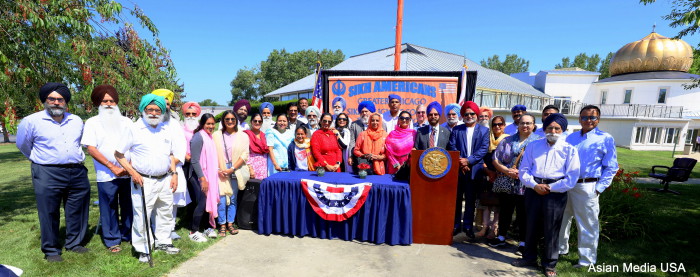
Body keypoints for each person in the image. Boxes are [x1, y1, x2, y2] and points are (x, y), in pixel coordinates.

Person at [16, 82, 92, 262]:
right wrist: (40, 159)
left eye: (60, 99)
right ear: (45, 100)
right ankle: (51, 250)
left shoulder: (76, 120)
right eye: (52, 99)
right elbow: (23, 145)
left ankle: (74, 243)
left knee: (78, 209)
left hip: (77, 171)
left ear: (66, 102)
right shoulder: (31, 121)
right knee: (48, 211)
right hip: (47, 172)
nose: (56, 102)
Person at [115, 94, 183, 263]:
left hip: (165, 178)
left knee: (165, 212)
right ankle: (143, 248)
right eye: (150, 109)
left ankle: (164, 242)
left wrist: (174, 174)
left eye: (157, 110)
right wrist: (133, 172)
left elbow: (171, 154)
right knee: (142, 215)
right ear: (143, 110)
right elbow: (118, 154)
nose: (153, 113)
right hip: (143, 180)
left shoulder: (165, 129)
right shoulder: (134, 129)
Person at [512, 113, 580, 277]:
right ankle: (529, 258)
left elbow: (572, 177)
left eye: (557, 128)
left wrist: (549, 187)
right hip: (533, 190)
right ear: (544, 128)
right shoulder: (534, 146)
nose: (553, 130)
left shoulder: (569, 150)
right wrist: (535, 185)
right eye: (550, 127)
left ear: (562, 130)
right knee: (531, 226)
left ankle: (549, 264)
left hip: (555, 192)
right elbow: (524, 171)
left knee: (552, 229)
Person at [559, 105, 618, 269]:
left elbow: (611, 166)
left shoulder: (605, 138)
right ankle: (560, 250)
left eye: (592, 117)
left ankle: (587, 261)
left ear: (598, 119)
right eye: (585, 117)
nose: (588, 120)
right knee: (563, 220)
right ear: (579, 119)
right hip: (567, 184)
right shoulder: (571, 138)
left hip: (588, 187)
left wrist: (599, 188)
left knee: (587, 224)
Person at [81, 85, 134, 253]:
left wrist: (130, 167)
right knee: (109, 206)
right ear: (98, 103)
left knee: (128, 205)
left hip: (128, 172)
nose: (109, 104)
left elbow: (134, 145)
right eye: (105, 101)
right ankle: (112, 239)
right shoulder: (92, 123)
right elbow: (91, 149)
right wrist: (112, 167)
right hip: (106, 173)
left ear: (116, 102)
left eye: (112, 101)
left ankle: (128, 235)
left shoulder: (127, 122)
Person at [487, 114, 539, 255]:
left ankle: (523, 243)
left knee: (524, 214)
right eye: (522, 123)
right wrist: (507, 171)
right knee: (505, 211)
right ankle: (501, 237)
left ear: (533, 125)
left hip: (526, 185)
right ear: (518, 125)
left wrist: (523, 174)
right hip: (507, 183)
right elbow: (495, 159)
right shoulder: (508, 140)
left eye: (528, 123)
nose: (525, 126)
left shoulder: (538, 142)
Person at [447, 101, 490, 238]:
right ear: (463, 116)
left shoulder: (484, 130)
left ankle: (467, 226)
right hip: (459, 171)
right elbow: (452, 147)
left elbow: (483, 149)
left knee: (471, 200)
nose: (469, 116)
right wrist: (462, 162)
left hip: (475, 170)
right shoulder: (457, 129)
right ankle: (456, 225)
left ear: (476, 115)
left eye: (472, 113)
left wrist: (468, 161)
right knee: (457, 199)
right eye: (466, 114)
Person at [151, 89, 188, 241]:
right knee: (154, 202)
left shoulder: (174, 124)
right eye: (161, 103)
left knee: (171, 202)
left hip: (172, 170)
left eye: (167, 104)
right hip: (152, 170)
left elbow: (180, 149)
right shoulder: (148, 122)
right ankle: (154, 229)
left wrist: (169, 166)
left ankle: (170, 228)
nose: (165, 106)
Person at [213, 111, 250, 237]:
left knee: (233, 198)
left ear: (236, 120)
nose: (230, 121)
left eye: (232, 119)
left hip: (235, 169)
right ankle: (222, 224)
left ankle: (230, 223)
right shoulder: (216, 135)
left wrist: (232, 168)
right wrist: (218, 169)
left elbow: (245, 155)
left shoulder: (243, 136)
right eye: (227, 119)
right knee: (221, 198)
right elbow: (211, 154)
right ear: (223, 121)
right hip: (220, 169)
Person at [187, 114, 219, 242]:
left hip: (207, 175)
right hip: (197, 176)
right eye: (208, 124)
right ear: (202, 124)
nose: (211, 126)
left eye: (213, 124)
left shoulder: (209, 137)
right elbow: (194, 161)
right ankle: (193, 231)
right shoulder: (198, 137)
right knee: (201, 201)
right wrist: (202, 178)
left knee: (207, 201)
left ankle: (206, 227)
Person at [475, 114, 507, 240]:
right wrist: (488, 171)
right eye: (494, 124)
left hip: (501, 175)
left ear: (504, 126)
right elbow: (481, 155)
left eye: (500, 124)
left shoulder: (507, 139)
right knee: (486, 203)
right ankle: (484, 227)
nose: (497, 126)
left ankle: (495, 228)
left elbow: (508, 159)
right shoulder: (487, 138)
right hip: (487, 174)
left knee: (497, 205)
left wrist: (498, 172)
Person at [244, 114, 269, 179]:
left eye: (259, 121)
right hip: (252, 168)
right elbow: (244, 153)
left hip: (264, 168)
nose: (257, 123)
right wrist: (250, 168)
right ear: (251, 122)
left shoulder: (264, 135)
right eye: (255, 121)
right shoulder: (246, 135)